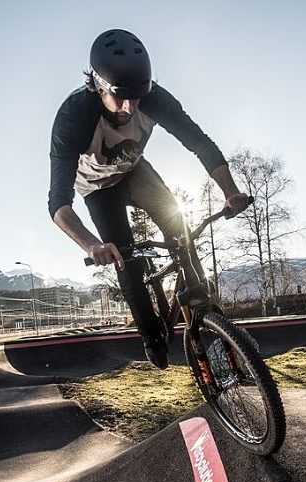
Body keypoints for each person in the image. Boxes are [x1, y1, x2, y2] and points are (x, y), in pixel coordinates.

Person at [48, 29, 249, 368]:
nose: (130, 107)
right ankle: (149, 334)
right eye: (121, 97)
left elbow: (199, 143)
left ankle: (203, 309)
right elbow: (58, 204)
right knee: (125, 258)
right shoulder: (74, 117)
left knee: (180, 227)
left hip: (137, 172)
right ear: (98, 86)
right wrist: (91, 245)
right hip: (98, 190)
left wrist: (231, 191)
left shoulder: (154, 98)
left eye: (138, 96)